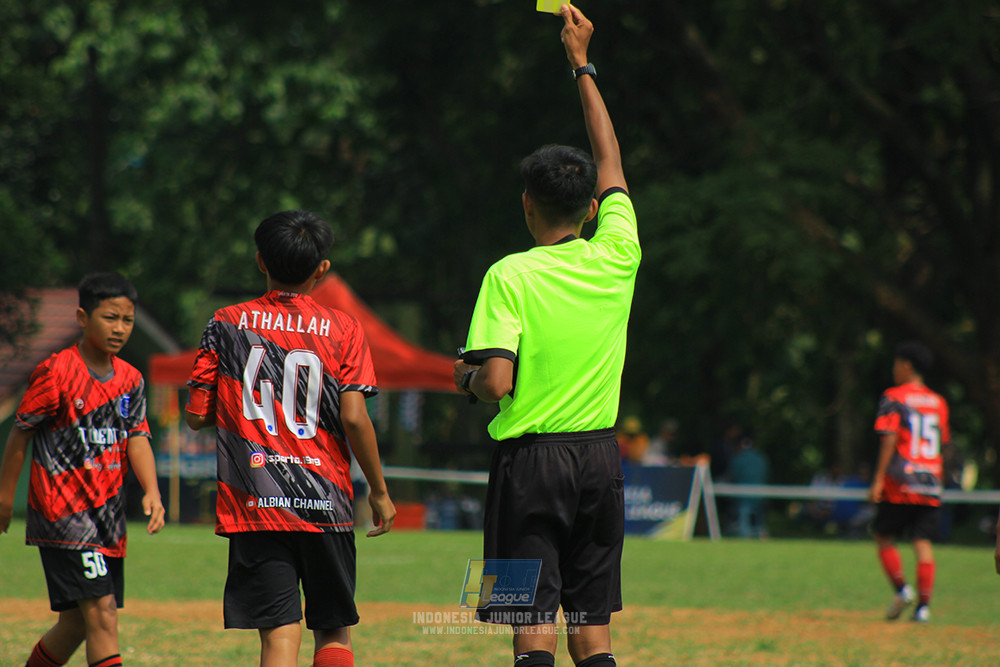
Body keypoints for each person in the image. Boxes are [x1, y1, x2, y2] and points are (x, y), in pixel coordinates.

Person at [452, 6, 637, 667]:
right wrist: (581, 63)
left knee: (528, 624)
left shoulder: (510, 274)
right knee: (593, 630)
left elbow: (496, 380)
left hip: (528, 466)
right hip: (600, 461)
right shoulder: (618, 254)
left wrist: (465, 378)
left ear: (526, 203)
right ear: (594, 208)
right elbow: (610, 157)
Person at [184, 210, 395, 667]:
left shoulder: (225, 322)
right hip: (326, 501)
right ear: (322, 268)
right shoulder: (345, 328)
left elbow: (196, 416)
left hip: (256, 503)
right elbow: (355, 417)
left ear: (260, 261)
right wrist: (379, 491)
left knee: (279, 636)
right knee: (333, 631)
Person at [0, 272, 165, 667]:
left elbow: (137, 436)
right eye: (110, 318)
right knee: (103, 614)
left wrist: (152, 490)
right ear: (82, 317)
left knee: (76, 623)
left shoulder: (131, 380)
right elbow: (20, 433)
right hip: (63, 514)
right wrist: (5, 498)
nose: (119, 328)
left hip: (107, 517)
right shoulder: (56, 372)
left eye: (127, 320)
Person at [868, 341, 949, 623]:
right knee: (922, 543)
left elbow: (889, 438)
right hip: (930, 482)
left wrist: (878, 478)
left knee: (883, 535)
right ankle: (923, 608)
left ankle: (902, 590)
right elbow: (943, 443)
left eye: (896, 364)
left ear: (906, 365)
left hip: (901, 482)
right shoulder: (938, 402)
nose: (894, 369)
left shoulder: (894, 397)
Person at [727, 434, 769, 539]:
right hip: (761, 497)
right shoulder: (762, 458)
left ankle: (743, 533)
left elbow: (732, 477)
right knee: (758, 517)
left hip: (743, 499)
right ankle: (761, 531)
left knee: (742, 512)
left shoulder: (738, 459)